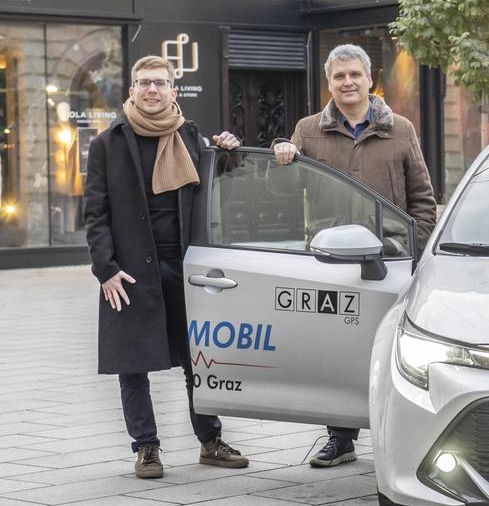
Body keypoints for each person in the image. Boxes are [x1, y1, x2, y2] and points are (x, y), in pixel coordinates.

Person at [84, 55, 248, 479]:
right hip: (130, 270)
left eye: (160, 82)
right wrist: (105, 268)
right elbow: (95, 214)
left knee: (200, 359)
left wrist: (229, 153)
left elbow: (215, 183)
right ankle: (146, 448)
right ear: (131, 91)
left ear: (173, 90)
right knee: (132, 363)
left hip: (185, 266)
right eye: (144, 83)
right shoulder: (107, 144)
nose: (152, 90)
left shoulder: (190, 137)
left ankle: (210, 441)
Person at [274, 43, 437, 467]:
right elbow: (281, 194)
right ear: (329, 83)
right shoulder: (308, 130)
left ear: (369, 80)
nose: (347, 82)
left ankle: (397, 434)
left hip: (390, 259)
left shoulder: (399, 128)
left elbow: (422, 197)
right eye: (338, 76)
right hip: (331, 260)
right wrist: (283, 158)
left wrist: (419, 255)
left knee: (390, 347)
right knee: (335, 349)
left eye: (354, 75)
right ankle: (340, 437)